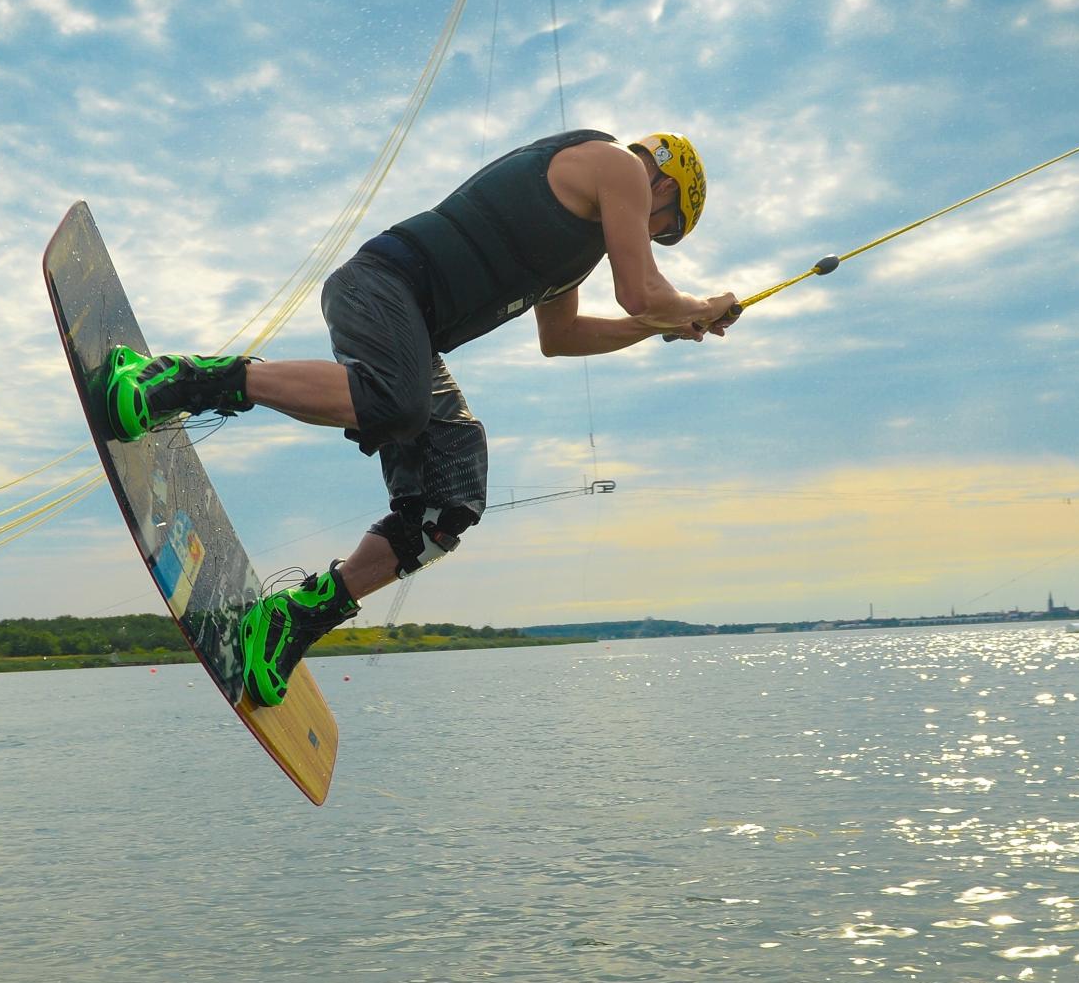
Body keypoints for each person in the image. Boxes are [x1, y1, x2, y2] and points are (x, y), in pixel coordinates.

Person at [100, 129, 740, 707]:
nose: (649, 235)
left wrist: (655, 329)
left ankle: (292, 618)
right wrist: (694, 308)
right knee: (394, 401)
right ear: (663, 182)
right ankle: (179, 380)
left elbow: (563, 336)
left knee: (451, 503)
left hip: (412, 340)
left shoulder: (576, 251)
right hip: (381, 285)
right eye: (663, 228)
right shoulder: (616, 165)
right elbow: (644, 291)